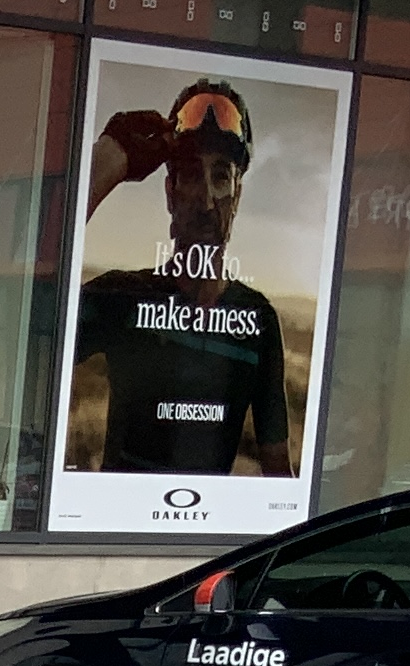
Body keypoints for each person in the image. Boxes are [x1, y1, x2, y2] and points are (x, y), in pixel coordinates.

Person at [70, 76, 287, 476]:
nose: (206, 201)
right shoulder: (123, 298)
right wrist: (106, 161)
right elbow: (29, 314)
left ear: (237, 196)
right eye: (190, 175)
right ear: (170, 192)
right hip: (113, 511)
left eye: (220, 176)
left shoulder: (258, 320)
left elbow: (278, 472)